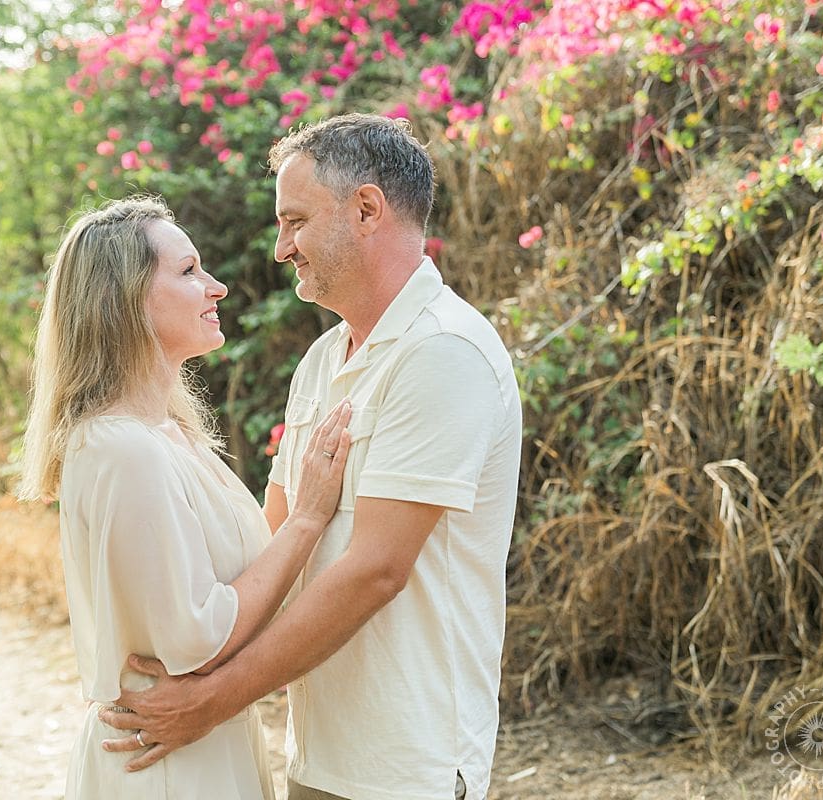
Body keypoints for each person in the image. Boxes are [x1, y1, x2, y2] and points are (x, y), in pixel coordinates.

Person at [99, 114, 523, 799]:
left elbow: (375, 571)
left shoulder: (444, 352)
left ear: (365, 210)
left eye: (293, 221)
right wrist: (184, 643)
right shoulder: (323, 361)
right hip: (316, 752)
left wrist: (213, 700)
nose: (280, 248)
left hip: (404, 764)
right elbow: (276, 535)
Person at [16, 196, 353, 800]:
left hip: (202, 748)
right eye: (188, 271)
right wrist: (306, 520)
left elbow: (237, 587)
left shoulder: (170, 436)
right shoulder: (123, 449)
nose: (216, 287)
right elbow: (198, 642)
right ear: (124, 301)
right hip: (166, 768)